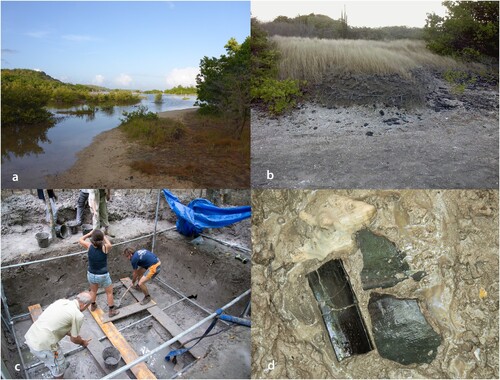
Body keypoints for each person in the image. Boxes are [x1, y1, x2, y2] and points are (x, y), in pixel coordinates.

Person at [24, 292, 93, 379]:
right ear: (84, 305)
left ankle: (56, 363)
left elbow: (60, 325)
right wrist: (83, 342)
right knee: (58, 364)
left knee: (54, 358)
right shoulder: (78, 315)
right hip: (44, 346)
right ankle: (60, 366)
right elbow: (74, 339)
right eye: (87, 307)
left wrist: (73, 335)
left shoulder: (61, 302)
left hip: (32, 336)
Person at [79, 229, 119, 317]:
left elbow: (80, 240)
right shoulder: (105, 247)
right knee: (109, 293)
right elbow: (109, 244)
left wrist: (89, 234)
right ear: (101, 239)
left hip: (91, 274)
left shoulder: (89, 246)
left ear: (92, 239)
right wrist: (104, 236)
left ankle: (93, 306)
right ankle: (111, 311)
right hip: (103, 275)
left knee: (93, 291)